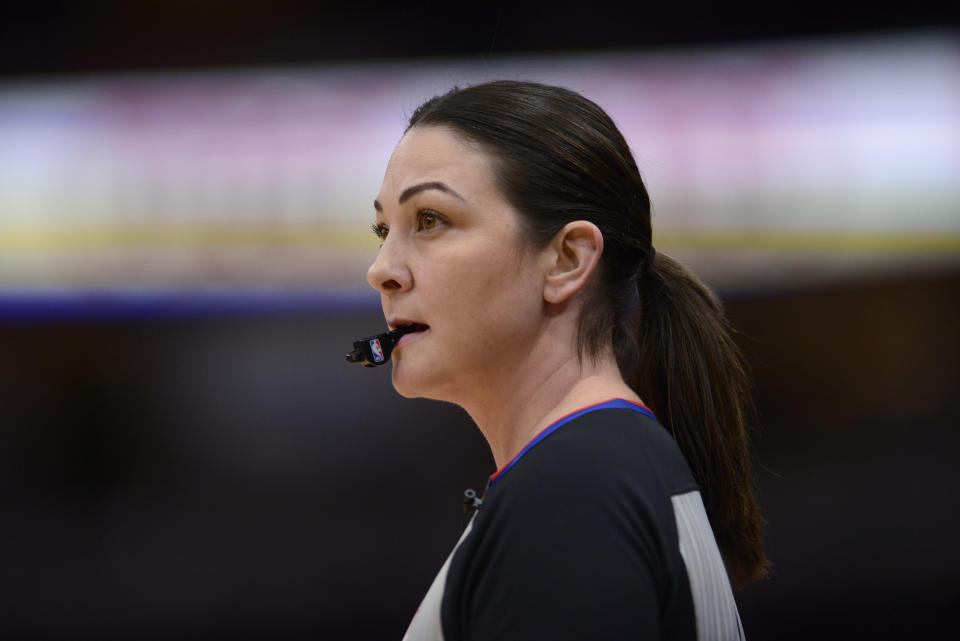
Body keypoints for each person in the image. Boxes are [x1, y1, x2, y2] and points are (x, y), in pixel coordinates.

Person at [366, 80, 768, 641]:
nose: (381, 268)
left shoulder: (574, 492)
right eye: (384, 229)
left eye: (430, 220)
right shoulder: (595, 471)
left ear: (566, 260)